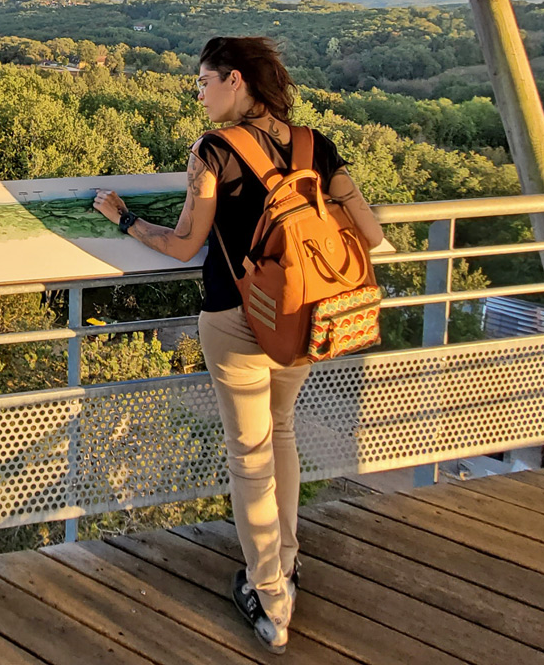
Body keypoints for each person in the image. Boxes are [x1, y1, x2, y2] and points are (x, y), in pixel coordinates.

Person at [93, 35, 387, 654]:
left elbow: (183, 244)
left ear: (234, 80)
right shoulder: (314, 144)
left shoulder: (214, 150)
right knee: (280, 434)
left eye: (204, 82)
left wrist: (123, 218)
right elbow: (371, 233)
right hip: (307, 317)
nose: (199, 95)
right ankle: (286, 561)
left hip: (236, 317)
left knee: (249, 454)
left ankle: (271, 598)